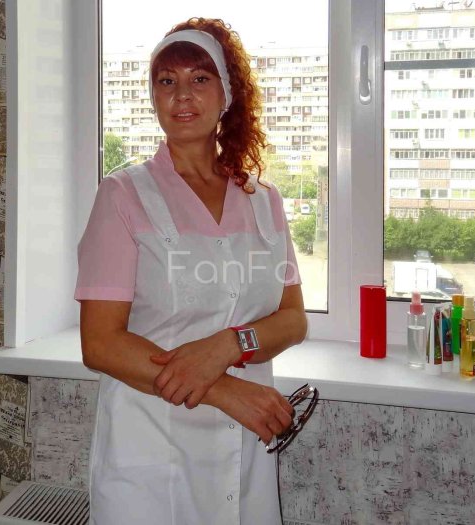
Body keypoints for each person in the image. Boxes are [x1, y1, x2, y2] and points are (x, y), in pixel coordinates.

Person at [75, 17, 308, 525]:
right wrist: (225, 389)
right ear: (153, 96)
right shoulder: (123, 195)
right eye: (167, 80)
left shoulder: (263, 200)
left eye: (200, 78)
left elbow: (293, 318)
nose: (182, 94)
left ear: (227, 94)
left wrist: (230, 345)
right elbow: (101, 343)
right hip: (151, 445)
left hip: (243, 449)